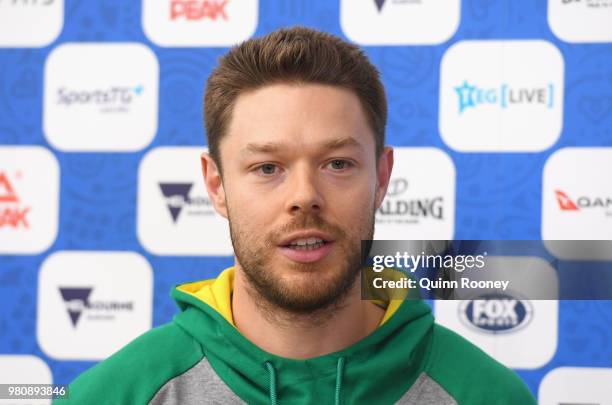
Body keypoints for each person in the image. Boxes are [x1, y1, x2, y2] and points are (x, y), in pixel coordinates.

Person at [57, 27, 536, 404]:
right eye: (267, 167)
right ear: (216, 185)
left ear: (382, 177)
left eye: (338, 164)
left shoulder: (486, 396)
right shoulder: (118, 395)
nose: (304, 196)